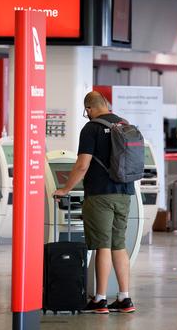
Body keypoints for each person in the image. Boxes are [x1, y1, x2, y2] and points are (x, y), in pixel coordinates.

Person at [53, 91, 136, 314]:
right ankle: (124, 297)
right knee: (119, 244)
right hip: (125, 193)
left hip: (100, 194)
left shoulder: (91, 128)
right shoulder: (124, 124)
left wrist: (65, 189)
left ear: (89, 108)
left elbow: (82, 164)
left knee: (103, 245)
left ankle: (100, 299)